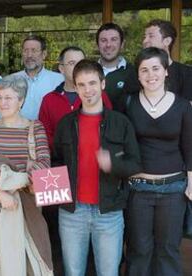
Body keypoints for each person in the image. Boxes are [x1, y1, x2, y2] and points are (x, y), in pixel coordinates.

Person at [52, 59, 141, 276]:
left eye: (92, 83)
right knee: (73, 272)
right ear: (76, 87)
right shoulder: (65, 123)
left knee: (108, 272)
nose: (87, 90)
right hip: (72, 213)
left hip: (109, 213)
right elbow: (56, 161)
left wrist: (113, 164)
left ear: (102, 84)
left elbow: (136, 164)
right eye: (81, 85)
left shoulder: (121, 122)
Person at [38, 46, 112, 275]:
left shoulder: (102, 97)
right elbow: (44, 135)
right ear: (61, 68)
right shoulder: (49, 99)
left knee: (98, 248)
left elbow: (109, 133)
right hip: (60, 178)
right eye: (71, 63)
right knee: (61, 240)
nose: (77, 67)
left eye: (81, 62)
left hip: (96, 183)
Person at [0, 74, 53, 275]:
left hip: (28, 200)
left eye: (9, 97)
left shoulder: (35, 127)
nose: (3, 102)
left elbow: (44, 163)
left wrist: (15, 184)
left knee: (30, 257)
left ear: (21, 101)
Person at [125, 47, 192, 276]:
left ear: (166, 71)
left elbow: (189, 147)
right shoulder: (129, 103)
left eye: (155, 68)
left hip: (173, 188)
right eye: (144, 70)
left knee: (168, 251)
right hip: (138, 190)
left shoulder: (183, 106)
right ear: (138, 75)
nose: (150, 74)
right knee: (139, 251)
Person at [13, 35, 64, 120]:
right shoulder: (11, 80)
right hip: (17, 132)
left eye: (34, 51)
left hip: (47, 132)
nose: (29, 55)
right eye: (26, 51)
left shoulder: (59, 81)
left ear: (44, 54)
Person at [143, 19, 192, 101]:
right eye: (144, 37)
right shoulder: (138, 73)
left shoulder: (187, 74)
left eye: (151, 36)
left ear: (167, 41)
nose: (144, 41)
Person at [96, 22, 140, 111]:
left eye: (114, 39)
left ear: (122, 44)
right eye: (103, 40)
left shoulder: (134, 73)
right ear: (97, 45)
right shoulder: (88, 72)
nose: (108, 45)